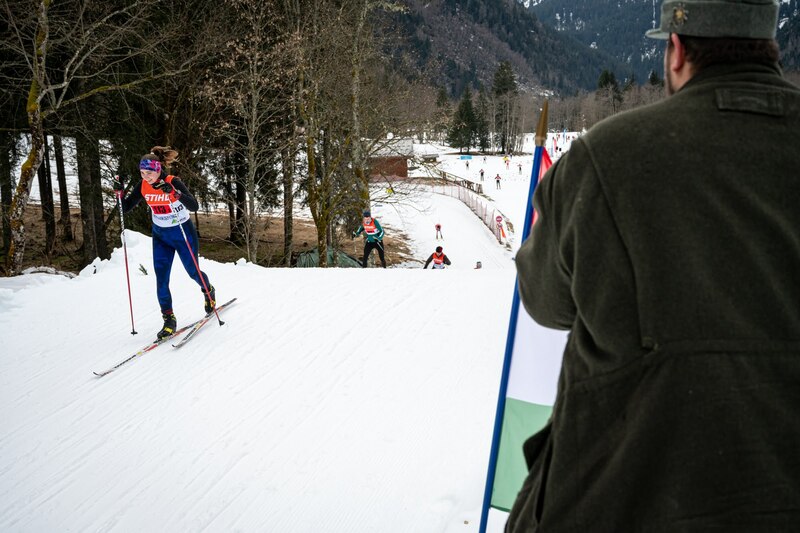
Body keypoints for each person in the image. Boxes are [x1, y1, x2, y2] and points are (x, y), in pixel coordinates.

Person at [508, 1, 800, 531]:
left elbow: (544, 300)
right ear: (770, 47)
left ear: (677, 51)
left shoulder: (607, 158)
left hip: (624, 496)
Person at [115, 146, 216, 340]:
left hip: (182, 232)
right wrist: (119, 194)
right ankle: (169, 319)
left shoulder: (172, 181)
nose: (146, 177)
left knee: (193, 271)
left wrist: (175, 193)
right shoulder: (143, 185)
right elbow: (125, 208)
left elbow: (194, 205)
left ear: (158, 169)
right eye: (142, 173)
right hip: (161, 236)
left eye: (149, 173)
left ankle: (208, 290)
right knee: (161, 279)